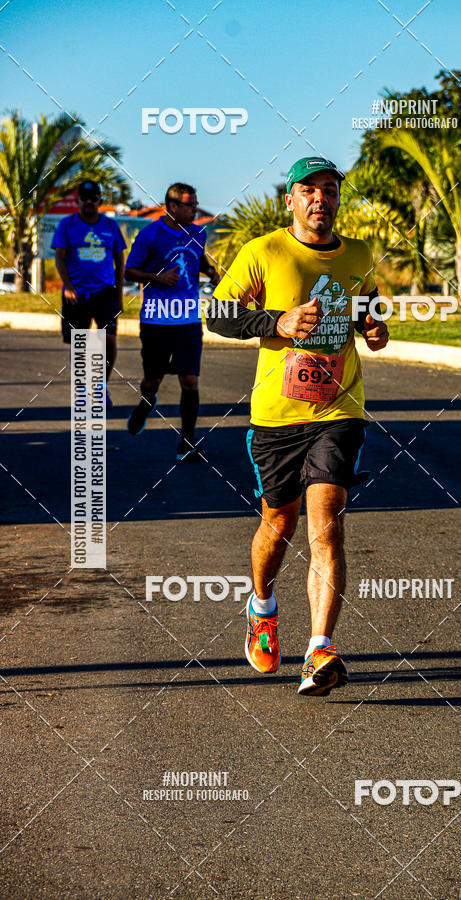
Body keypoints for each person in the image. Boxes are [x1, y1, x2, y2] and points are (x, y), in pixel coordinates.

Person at [207, 156, 389, 696]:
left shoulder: (358, 254)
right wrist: (277, 321)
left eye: (329, 189)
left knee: (326, 520)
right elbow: (217, 315)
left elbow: (366, 310)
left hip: (339, 410)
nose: (320, 199)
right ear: (289, 199)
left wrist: (374, 328)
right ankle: (262, 607)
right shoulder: (262, 251)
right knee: (278, 524)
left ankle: (319, 649)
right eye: (308, 190)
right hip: (276, 416)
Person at [124, 183, 218, 461]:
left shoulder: (198, 233)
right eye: (190, 205)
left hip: (188, 319)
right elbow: (130, 271)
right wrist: (158, 278)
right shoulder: (150, 234)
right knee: (152, 380)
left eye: (196, 204)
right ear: (173, 206)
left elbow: (199, 259)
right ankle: (146, 401)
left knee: (189, 380)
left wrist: (211, 271)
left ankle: (187, 443)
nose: (195, 210)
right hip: (156, 319)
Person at [53, 180, 126, 407]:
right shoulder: (67, 224)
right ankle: (82, 389)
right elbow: (59, 258)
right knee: (80, 344)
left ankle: (101, 387)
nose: (88, 203)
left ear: (100, 201)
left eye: (93, 198)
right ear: (78, 201)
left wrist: (119, 296)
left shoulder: (110, 226)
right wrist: (68, 286)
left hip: (105, 293)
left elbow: (120, 262)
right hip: (76, 295)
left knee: (109, 341)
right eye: (84, 199)